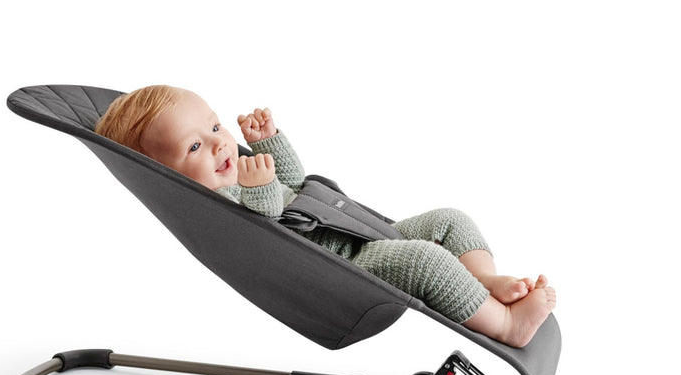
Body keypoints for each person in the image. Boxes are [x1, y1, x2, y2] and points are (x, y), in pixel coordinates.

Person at [96, 85, 556, 348]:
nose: (219, 143)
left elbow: (294, 184)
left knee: (449, 219)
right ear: (164, 174)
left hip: (362, 232)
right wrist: (260, 189)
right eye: (195, 146)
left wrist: (269, 143)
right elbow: (264, 220)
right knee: (425, 260)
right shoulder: (217, 203)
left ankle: (484, 280)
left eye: (215, 127)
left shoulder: (238, 171)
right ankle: (506, 325)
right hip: (350, 263)